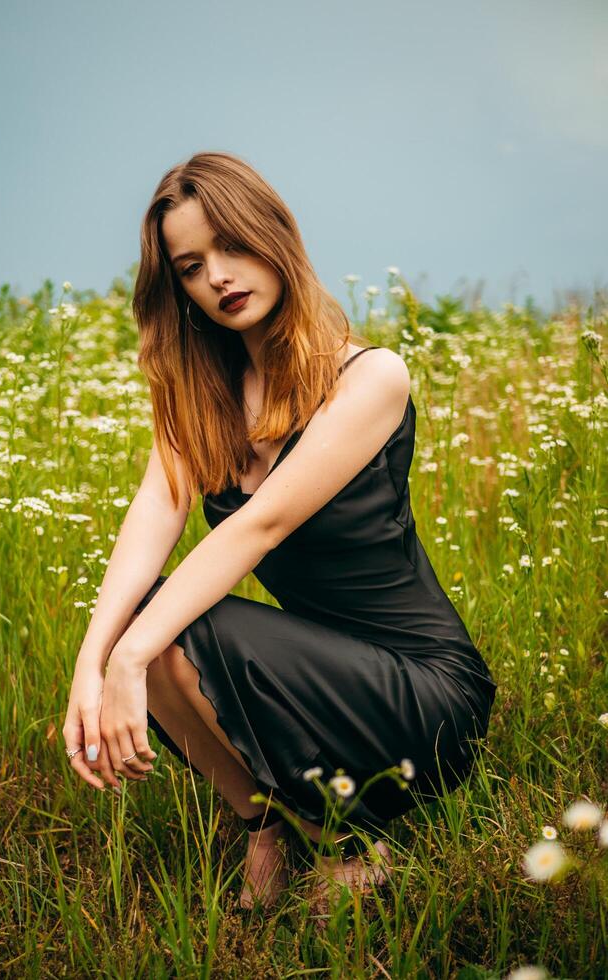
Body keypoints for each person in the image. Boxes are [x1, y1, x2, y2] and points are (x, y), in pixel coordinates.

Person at [62, 151, 497, 916]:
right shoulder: (201, 395)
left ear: (274, 236)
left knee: (166, 631)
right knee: (147, 616)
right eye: (192, 266)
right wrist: (90, 665)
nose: (219, 276)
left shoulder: (369, 378)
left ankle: (349, 846)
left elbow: (257, 529)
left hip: (421, 695)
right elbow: (146, 529)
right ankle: (266, 821)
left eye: (231, 246)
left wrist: (129, 657)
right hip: (300, 677)